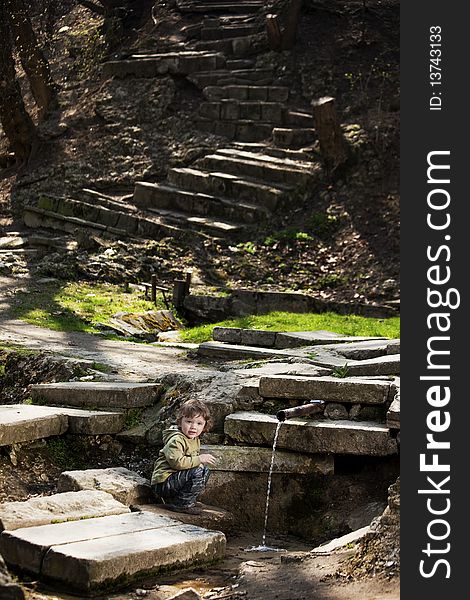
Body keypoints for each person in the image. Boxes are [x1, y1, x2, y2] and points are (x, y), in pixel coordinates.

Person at [151, 399, 216, 515]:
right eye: (189, 421)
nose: (193, 427)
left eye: (199, 423)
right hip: (164, 483)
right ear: (180, 422)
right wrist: (199, 459)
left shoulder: (194, 439)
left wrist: (198, 463)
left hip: (175, 481)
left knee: (204, 471)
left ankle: (184, 500)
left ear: (205, 425)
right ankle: (182, 504)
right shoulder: (176, 440)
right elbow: (177, 463)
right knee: (197, 472)